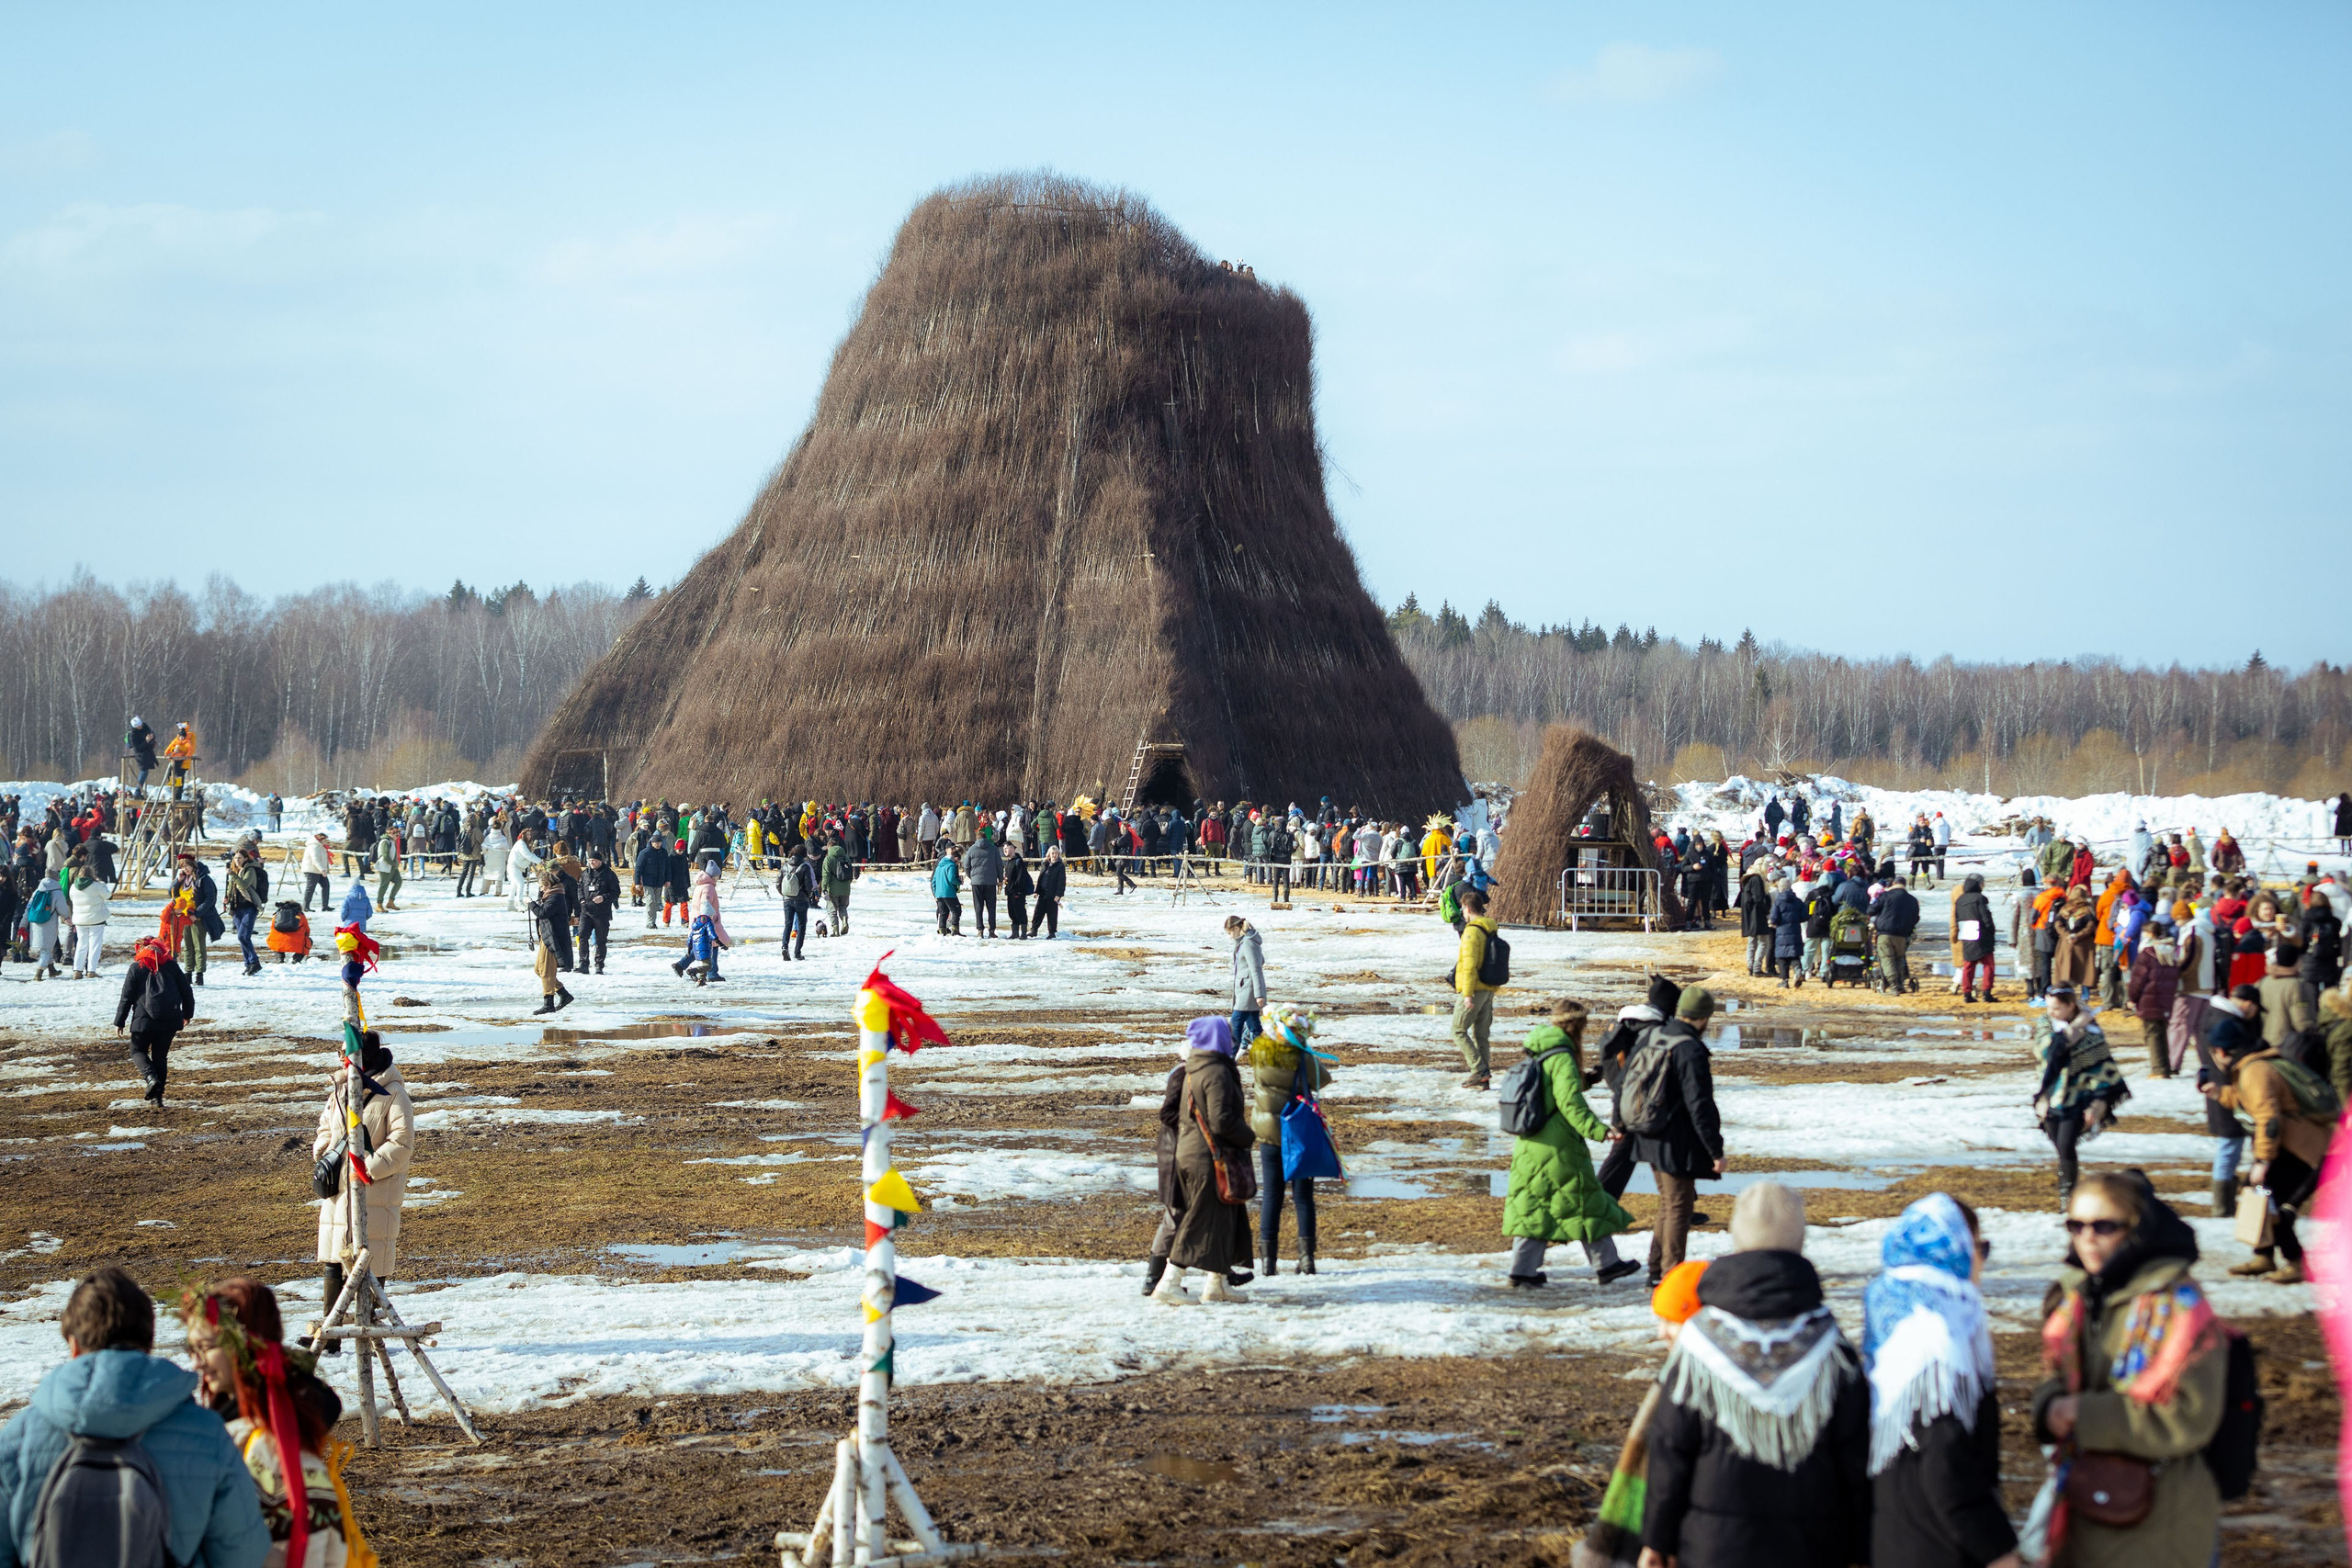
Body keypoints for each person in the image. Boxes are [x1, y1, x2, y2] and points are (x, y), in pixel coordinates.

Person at [1640, 1181, 1870, 1568]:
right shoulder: (1831, 1346)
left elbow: (1671, 1449)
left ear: (1737, 1236)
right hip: (1812, 1544)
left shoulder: (1699, 1342)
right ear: (1799, 1240)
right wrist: (1863, 1545)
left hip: (1711, 1547)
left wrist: (1657, 1539)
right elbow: (1856, 1455)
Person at [0, 1267, 269, 1568]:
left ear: (74, 1347)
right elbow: (244, 1554)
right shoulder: (207, 1434)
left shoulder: (16, 1438)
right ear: (148, 1344)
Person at [2030, 1171, 2226, 1568]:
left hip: (2157, 1517)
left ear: (2135, 1227)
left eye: (2104, 1226)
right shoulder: (2075, 1296)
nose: (2088, 1238)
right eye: (2076, 1225)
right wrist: (2048, 1404)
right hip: (2084, 1500)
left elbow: (2189, 1416)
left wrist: (2083, 1415)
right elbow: (2055, 1374)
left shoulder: (2176, 1306)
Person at [1864, 1195, 2018, 1568]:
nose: (1983, 1258)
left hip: (1893, 1533)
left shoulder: (1893, 1310)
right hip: (1939, 1545)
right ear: (1955, 1249)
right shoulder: (1937, 1337)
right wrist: (1999, 1552)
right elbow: (1945, 1466)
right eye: (1979, 1246)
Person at [182, 1276, 368, 1568]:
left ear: (245, 1344)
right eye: (192, 1350)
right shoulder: (235, 1427)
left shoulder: (274, 1448)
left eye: (205, 1347)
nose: (196, 1363)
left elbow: (308, 1553)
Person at [1576, 1262, 1710, 1568]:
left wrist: (1657, 1540)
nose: (1661, 1333)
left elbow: (1664, 1469)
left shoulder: (1682, 1384)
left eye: (1672, 1320)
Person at [1503, 998, 1637, 1288]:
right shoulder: (1562, 1054)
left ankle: (1523, 1270)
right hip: (1558, 1145)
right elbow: (1569, 1102)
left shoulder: (1543, 1048)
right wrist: (1600, 1130)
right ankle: (1607, 1265)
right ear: (1577, 1025)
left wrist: (1589, 1077)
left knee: (1538, 1205)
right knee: (1586, 1200)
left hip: (1535, 1142)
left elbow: (1554, 1088)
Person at [2209, 998, 2337, 1285]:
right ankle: (2264, 1254)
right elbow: (2253, 1101)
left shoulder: (2255, 1071)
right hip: (2292, 1144)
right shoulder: (2255, 1065)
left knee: (2272, 1200)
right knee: (2256, 1194)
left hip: (2300, 1148)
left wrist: (2262, 1161)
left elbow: (2269, 1118)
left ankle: (2295, 1261)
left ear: (2221, 1051)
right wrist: (2221, 1094)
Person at [312, 1032, 415, 1343]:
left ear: (362, 1056)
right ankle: (330, 1336)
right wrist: (324, 1152)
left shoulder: (394, 1094)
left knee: (370, 1261)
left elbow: (401, 1143)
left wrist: (367, 1170)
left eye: (345, 1053)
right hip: (339, 1189)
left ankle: (369, 1336)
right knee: (334, 1260)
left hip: (375, 1190)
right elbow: (326, 1126)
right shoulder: (342, 1087)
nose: (341, 1060)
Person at [1626, 987, 1725, 1287]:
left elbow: (1624, 1082)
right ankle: (1670, 1276)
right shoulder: (1689, 1048)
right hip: (1674, 1140)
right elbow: (1700, 1105)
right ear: (1704, 1017)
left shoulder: (1653, 1036)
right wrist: (1715, 1150)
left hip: (1647, 1133)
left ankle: (1657, 1271)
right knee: (1680, 1206)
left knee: (1669, 1203)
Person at [1153, 1017, 1254, 1304]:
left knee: (1223, 1219)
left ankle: (1217, 1283)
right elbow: (1221, 1121)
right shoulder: (1217, 1072)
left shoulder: (1193, 1069)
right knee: (1198, 1220)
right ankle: (1168, 1284)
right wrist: (1247, 1136)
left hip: (1191, 1154)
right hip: (1207, 1159)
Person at [1246, 1002, 1332, 1276]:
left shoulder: (1260, 1055)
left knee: (1272, 1195)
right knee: (1303, 1197)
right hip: (1299, 1133)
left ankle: (1268, 1263)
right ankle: (1307, 1259)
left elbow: (1257, 1044)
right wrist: (1304, 1049)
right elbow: (1324, 1078)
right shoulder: (1302, 1058)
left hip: (1269, 1133)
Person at [2031, 986, 2129, 1204]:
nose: (2051, 1012)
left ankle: (2068, 1197)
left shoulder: (2092, 1030)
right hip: (2051, 1096)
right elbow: (2048, 1050)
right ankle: (2070, 1189)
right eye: (2048, 1007)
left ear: (2070, 1005)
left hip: (2079, 1099)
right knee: (2059, 1144)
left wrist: (2098, 1102)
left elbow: (2102, 1066)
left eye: (2056, 1008)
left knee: (2066, 1145)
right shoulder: (2045, 1023)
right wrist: (2075, 1028)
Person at [114, 934, 196, 1105]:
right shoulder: (172, 966)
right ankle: (157, 1099)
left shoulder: (136, 967)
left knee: (137, 1051)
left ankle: (151, 1078)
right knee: (160, 1057)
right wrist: (187, 1014)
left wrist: (120, 1021)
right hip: (170, 1020)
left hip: (143, 1020)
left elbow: (126, 997)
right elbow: (187, 991)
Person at [1452, 888, 1501, 1089]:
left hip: (1475, 988)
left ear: (1467, 908)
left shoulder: (1472, 932)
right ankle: (1483, 1080)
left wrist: (1468, 994)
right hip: (1489, 987)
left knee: (1458, 1030)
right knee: (1481, 1034)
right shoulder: (1490, 927)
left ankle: (1479, 1069)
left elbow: (1470, 964)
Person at [2125, 927, 2180, 1077]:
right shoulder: (2171, 955)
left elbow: (2137, 980)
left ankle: (2158, 1069)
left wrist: (2132, 998)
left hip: (2149, 1000)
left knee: (2153, 1035)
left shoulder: (2147, 955)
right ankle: (2165, 1067)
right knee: (2162, 1034)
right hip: (2166, 999)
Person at [528, 867, 575, 1014]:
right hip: (547, 937)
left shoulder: (555, 896)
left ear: (548, 884)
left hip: (553, 938)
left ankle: (548, 1002)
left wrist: (531, 904)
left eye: (542, 887)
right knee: (539, 970)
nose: (541, 890)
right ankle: (563, 994)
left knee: (546, 971)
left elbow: (543, 913)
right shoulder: (551, 895)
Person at [678, 860, 730, 984]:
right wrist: (708, 921)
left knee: (702, 947)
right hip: (707, 922)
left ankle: (682, 965)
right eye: (718, 875)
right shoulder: (708, 888)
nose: (719, 877)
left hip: (699, 921)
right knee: (712, 946)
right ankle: (711, 973)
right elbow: (705, 906)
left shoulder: (702, 885)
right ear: (713, 875)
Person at [1871, 874, 1921, 992]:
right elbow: (1916, 918)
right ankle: (1900, 983)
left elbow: (1871, 909)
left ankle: (1893, 985)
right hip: (1902, 935)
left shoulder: (1886, 896)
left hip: (1885, 932)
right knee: (1899, 958)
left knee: (1887, 958)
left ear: (1893, 884)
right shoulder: (1912, 900)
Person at [225, 844, 268, 976]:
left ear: (245, 859)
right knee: (242, 938)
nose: (237, 860)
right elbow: (231, 887)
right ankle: (248, 964)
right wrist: (226, 898)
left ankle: (255, 962)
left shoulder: (251, 870)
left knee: (243, 936)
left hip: (250, 907)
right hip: (237, 908)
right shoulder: (235, 870)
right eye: (235, 858)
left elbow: (243, 884)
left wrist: (232, 874)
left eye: (240, 858)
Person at [66, 852, 112, 977]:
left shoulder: (73, 887)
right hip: (96, 919)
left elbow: (71, 899)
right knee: (95, 945)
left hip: (80, 920)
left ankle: (77, 970)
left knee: (81, 945)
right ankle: (91, 970)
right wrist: (102, 884)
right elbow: (108, 895)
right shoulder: (97, 885)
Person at [1227, 914, 1267, 1043]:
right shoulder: (1243, 943)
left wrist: (1259, 994)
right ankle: (1266, 1055)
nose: (1229, 936)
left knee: (1235, 1025)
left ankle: (1230, 1058)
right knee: (1255, 1028)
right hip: (1244, 990)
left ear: (1236, 928)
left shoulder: (1248, 944)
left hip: (1248, 992)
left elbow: (1256, 969)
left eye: (1229, 933)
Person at [576, 849, 618, 975]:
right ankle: (583, 963)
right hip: (586, 911)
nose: (591, 863)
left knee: (601, 940)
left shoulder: (609, 874)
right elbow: (579, 888)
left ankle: (599, 965)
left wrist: (604, 898)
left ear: (600, 861)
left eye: (594, 860)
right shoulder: (585, 874)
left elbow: (616, 892)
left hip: (602, 912)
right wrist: (582, 900)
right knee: (582, 937)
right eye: (589, 860)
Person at [779, 841, 818, 958]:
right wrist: (807, 895)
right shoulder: (805, 866)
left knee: (788, 924)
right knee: (801, 925)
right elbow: (809, 885)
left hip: (787, 899)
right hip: (801, 899)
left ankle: (784, 946)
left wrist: (785, 894)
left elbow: (778, 883)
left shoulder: (785, 865)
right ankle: (797, 952)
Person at [964, 829, 1001, 938]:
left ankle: (980, 930)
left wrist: (972, 876)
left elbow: (966, 866)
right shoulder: (993, 849)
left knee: (978, 907)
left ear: (977, 838)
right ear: (986, 838)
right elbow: (999, 864)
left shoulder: (971, 850)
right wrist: (1000, 878)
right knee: (991, 907)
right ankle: (992, 930)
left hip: (976, 883)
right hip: (991, 882)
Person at [820, 832, 854, 936]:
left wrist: (824, 888)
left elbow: (826, 875)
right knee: (843, 907)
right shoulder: (846, 858)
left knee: (832, 910)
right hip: (845, 888)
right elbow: (850, 873)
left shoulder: (828, 859)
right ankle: (844, 919)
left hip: (833, 889)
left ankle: (835, 930)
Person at [1032, 845, 1066, 939]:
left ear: (1058, 855)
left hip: (1053, 894)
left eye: (1056, 854)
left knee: (1052, 915)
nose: (1054, 855)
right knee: (1038, 912)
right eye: (1052, 853)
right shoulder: (1045, 864)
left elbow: (1061, 882)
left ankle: (1052, 932)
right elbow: (1040, 878)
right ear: (1049, 855)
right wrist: (1037, 891)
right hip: (1043, 893)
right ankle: (1034, 930)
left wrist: (1059, 894)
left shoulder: (1060, 866)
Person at [932, 845, 964, 935]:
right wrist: (959, 881)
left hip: (939, 893)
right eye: (958, 862)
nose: (957, 864)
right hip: (949, 892)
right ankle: (955, 930)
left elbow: (933, 881)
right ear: (956, 858)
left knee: (943, 913)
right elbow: (951, 878)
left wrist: (935, 893)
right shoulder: (951, 865)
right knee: (956, 911)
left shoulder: (939, 866)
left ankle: (942, 931)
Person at [1003, 847, 1034, 939]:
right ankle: (1015, 933)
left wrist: (1017, 890)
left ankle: (1024, 933)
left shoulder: (1018, 861)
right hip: (1010, 891)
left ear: (1012, 849)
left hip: (1018, 892)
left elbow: (1021, 878)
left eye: (1007, 848)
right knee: (1012, 912)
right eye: (1004, 848)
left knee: (1020, 911)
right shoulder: (1008, 862)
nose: (1005, 850)